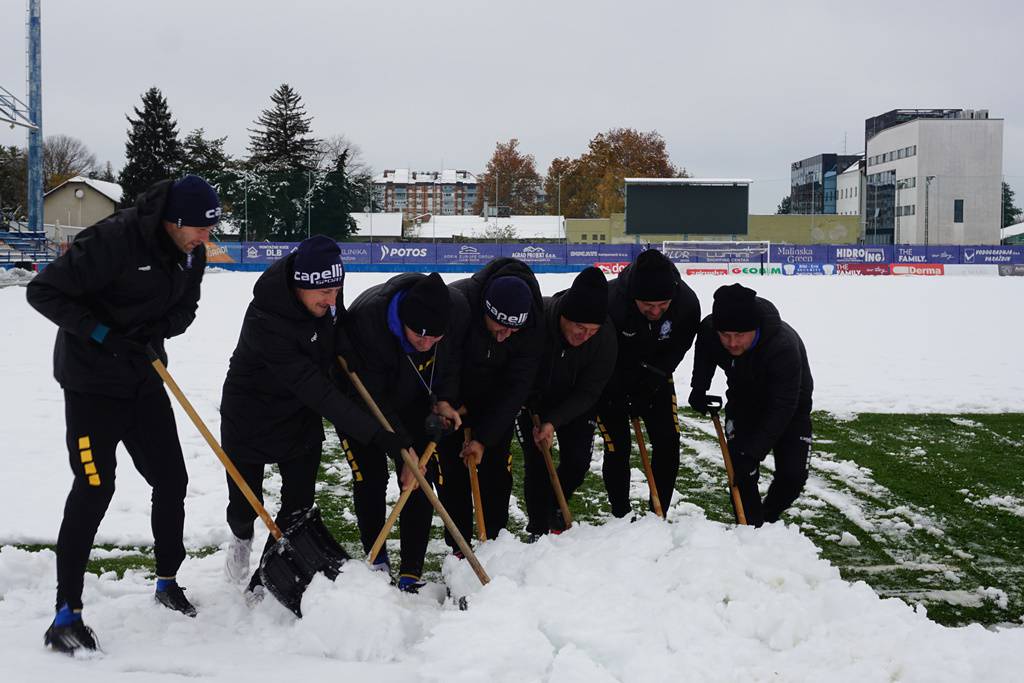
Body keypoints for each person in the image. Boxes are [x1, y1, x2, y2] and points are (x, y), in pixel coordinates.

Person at [26, 174, 218, 653]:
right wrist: (104, 337)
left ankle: (167, 580)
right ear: (173, 222)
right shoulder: (113, 239)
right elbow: (43, 293)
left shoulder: (191, 253)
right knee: (94, 486)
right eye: (198, 229)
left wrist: (157, 330)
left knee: (171, 479)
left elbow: (187, 307)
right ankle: (66, 611)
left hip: (143, 377)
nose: (206, 239)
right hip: (91, 383)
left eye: (210, 229)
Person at [219, 235, 388, 594]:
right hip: (250, 413)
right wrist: (373, 432)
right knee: (245, 504)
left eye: (336, 289)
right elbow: (316, 387)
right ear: (299, 285)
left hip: (298, 414)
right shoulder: (265, 318)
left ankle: (263, 582)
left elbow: (334, 324)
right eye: (323, 293)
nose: (330, 300)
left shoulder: (325, 295)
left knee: (298, 503)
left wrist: (343, 348)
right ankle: (241, 537)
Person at [338, 271, 465, 592]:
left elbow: (449, 365)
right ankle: (377, 559)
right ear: (404, 319)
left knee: (420, 477)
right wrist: (401, 448)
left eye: (432, 338)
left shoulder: (455, 313)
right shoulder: (369, 322)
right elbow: (373, 399)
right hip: (360, 403)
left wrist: (446, 401)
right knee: (370, 477)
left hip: (413, 401)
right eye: (418, 335)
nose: (424, 344)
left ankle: (411, 571)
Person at [438, 258, 545, 548]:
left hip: (495, 404)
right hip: (454, 404)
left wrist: (483, 439)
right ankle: (458, 547)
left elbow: (516, 389)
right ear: (486, 308)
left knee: (496, 472)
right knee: (452, 473)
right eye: (499, 328)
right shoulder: (459, 306)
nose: (505, 336)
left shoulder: (533, 324)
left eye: (513, 331)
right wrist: (451, 403)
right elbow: (445, 363)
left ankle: (496, 543)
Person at [688, 283, 813, 527]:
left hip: (791, 406)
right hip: (743, 402)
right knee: (742, 475)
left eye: (739, 336)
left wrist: (754, 452)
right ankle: (749, 529)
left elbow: (783, 407)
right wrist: (699, 388)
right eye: (725, 335)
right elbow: (705, 351)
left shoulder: (782, 346)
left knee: (792, 477)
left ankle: (767, 519)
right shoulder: (710, 330)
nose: (732, 343)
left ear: (754, 329)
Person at [597, 248, 701, 518]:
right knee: (617, 446)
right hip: (611, 378)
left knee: (669, 442)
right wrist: (617, 390)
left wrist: (651, 383)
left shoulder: (687, 304)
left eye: (661, 306)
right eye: (647, 306)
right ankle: (620, 513)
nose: (655, 311)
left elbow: (677, 349)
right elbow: (600, 355)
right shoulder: (610, 303)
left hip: (656, 375)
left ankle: (658, 513)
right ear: (634, 297)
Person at [516, 266, 617, 538]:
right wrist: (532, 409)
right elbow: (517, 369)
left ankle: (552, 507)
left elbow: (590, 390)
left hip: (575, 401)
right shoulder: (537, 321)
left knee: (577, 460)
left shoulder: (605, 338)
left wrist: (554, 421)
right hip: (532, 402)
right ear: (564, 316)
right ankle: (538, 527)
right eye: (579, 328)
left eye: (592, 330)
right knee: (537, 462)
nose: (585, 336)